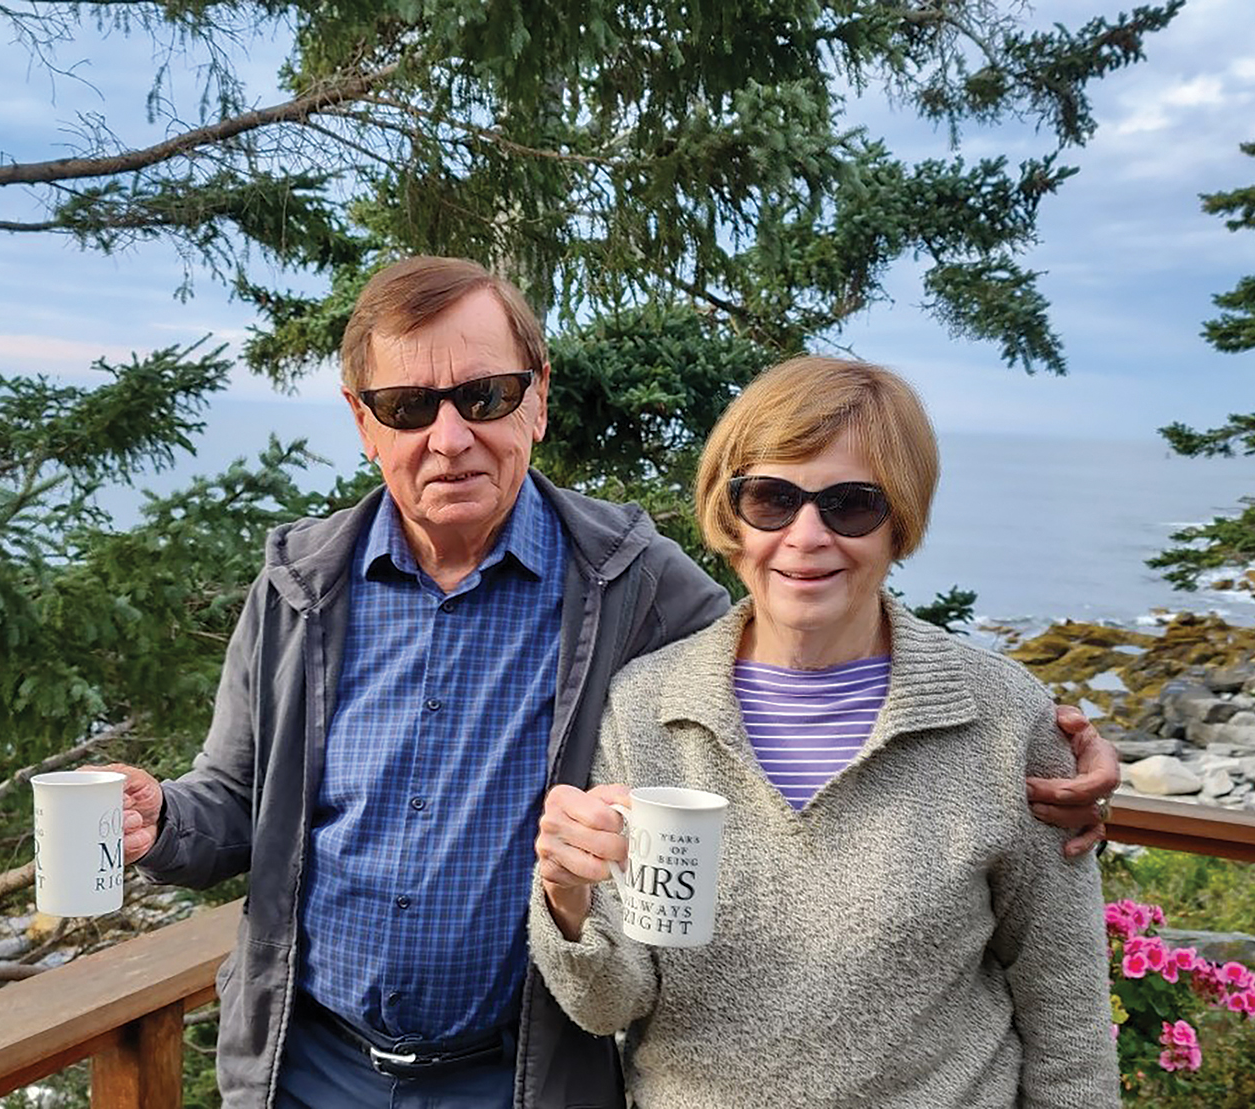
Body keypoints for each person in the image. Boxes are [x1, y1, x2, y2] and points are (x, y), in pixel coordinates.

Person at [100, 257, 1119, 1109]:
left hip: (526, 1076)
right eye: (409, 404)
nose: (449, 435)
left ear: (537, 395)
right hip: (308, 1067)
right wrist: (160, 823)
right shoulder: (298, 586)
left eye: (485, 394)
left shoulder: (632, 588)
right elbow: (232, 805)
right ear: (363, 422)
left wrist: (1051, 746)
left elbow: (798, 637)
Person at [531, 356, 1120, 1107]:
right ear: (729, 512)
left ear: (898, 520)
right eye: (772, 498)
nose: (806, 536)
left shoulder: (999, 718)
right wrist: (566, 899)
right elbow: (611, 1003)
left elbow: (1067, 1018)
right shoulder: (650, 705)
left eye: (850, 504)